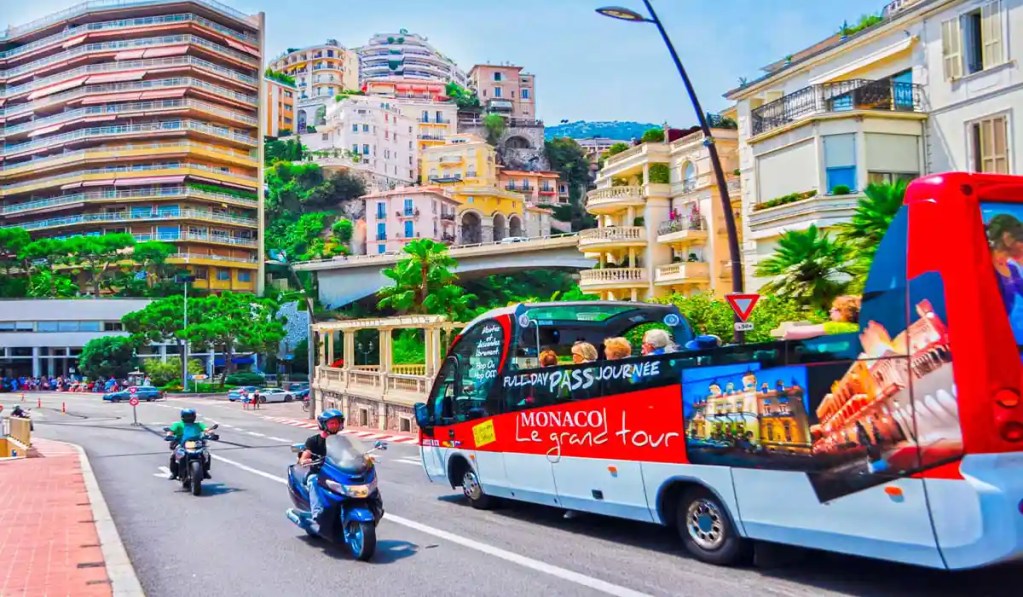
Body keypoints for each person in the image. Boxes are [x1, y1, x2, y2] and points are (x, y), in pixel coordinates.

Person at [293, 409, 346, 535]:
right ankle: (317, 514)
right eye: (331, 423)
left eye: (337, 423)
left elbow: (351, 454)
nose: (334, 425)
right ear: (323, 424)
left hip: (336, 474)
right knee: (313, 481)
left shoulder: (342, 441)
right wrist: (305, 460)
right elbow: (305, 456)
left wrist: (364, 458)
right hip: (318, 473)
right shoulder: (314, 441)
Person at [780, 295, 861, 340]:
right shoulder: (859, 327)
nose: (830, 310)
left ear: (843, 312)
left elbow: (791, 332)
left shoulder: (837, 326)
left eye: (835, 308)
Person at [165, 409, 212, 481]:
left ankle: (205, 471)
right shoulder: (178, 424)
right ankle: (174, 473)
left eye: (191, 416)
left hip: (196, 443)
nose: (189, 418)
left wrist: (211, 433)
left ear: (194, 417)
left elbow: (206, 429)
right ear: (182, 417)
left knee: (206, 454)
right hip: (181, 443)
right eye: (187, 416)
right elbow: (171, 431)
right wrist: (169, 435)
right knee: (173, 455)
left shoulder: (198, 425)